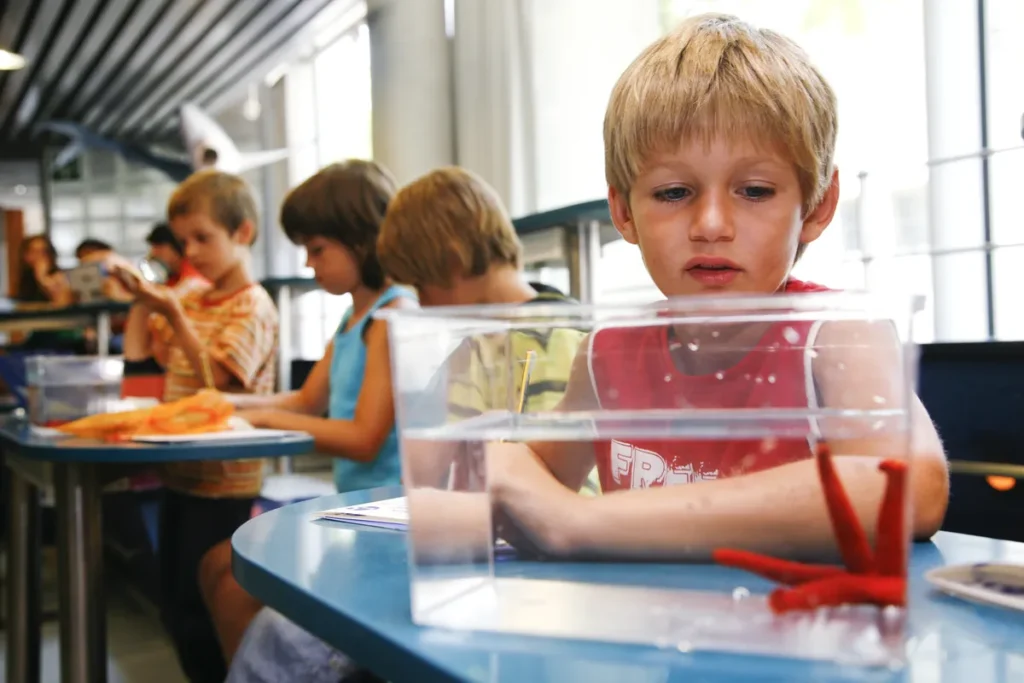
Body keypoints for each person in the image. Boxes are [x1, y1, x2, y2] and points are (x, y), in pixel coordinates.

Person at [465, 12, 949, 563]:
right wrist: (487, 465)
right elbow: (529, 486)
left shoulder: (837, 338)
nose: (712, 224)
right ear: (623, 212)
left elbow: (910, 488)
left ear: (817, 205)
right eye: (674, 193)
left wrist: (580, 521)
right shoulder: (606, 357)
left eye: (755, 190)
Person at [205, 166, 587, 683]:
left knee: (278, 645)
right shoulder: (473, 345)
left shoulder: (555, 340)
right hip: (457, 547)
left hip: (510, 572)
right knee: (270, 634)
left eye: (423, 286)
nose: (421, 303)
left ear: (452, 261)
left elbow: (563, 490)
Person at [117, 169, 279, 683]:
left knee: (202, 611)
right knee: (173, 606)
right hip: (179, 474)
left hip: (224, 482)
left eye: (203, 238)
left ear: (243, 232)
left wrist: (173, 315)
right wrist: (142, 301)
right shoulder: (189, 298)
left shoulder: (252, 305)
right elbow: (142, 358)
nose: (191, 252)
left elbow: (219, 389)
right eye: (184, 241)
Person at [145, 222, 205, 289]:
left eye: (159, 248)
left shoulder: (192, 275)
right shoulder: (171, 275)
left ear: (176, 247)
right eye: (153, 248)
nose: (154, 253)